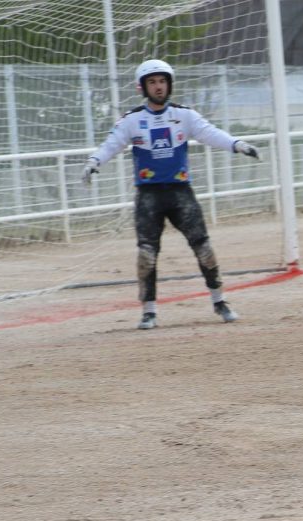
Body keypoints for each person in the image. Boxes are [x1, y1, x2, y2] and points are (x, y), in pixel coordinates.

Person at [82, 59, 260, 330]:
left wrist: (237, 144)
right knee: (146, 254)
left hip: (180, 193)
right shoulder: (132, 120)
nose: (158, 87)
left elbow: (209, 133)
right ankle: (149, 311)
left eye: (162, 81)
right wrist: (94, 162)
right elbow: (111, 144)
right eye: (152, 82)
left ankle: (219, 300)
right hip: (148, 197)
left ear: (170, 84)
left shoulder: (185, 115)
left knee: (204, 248)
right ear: (142, 87)